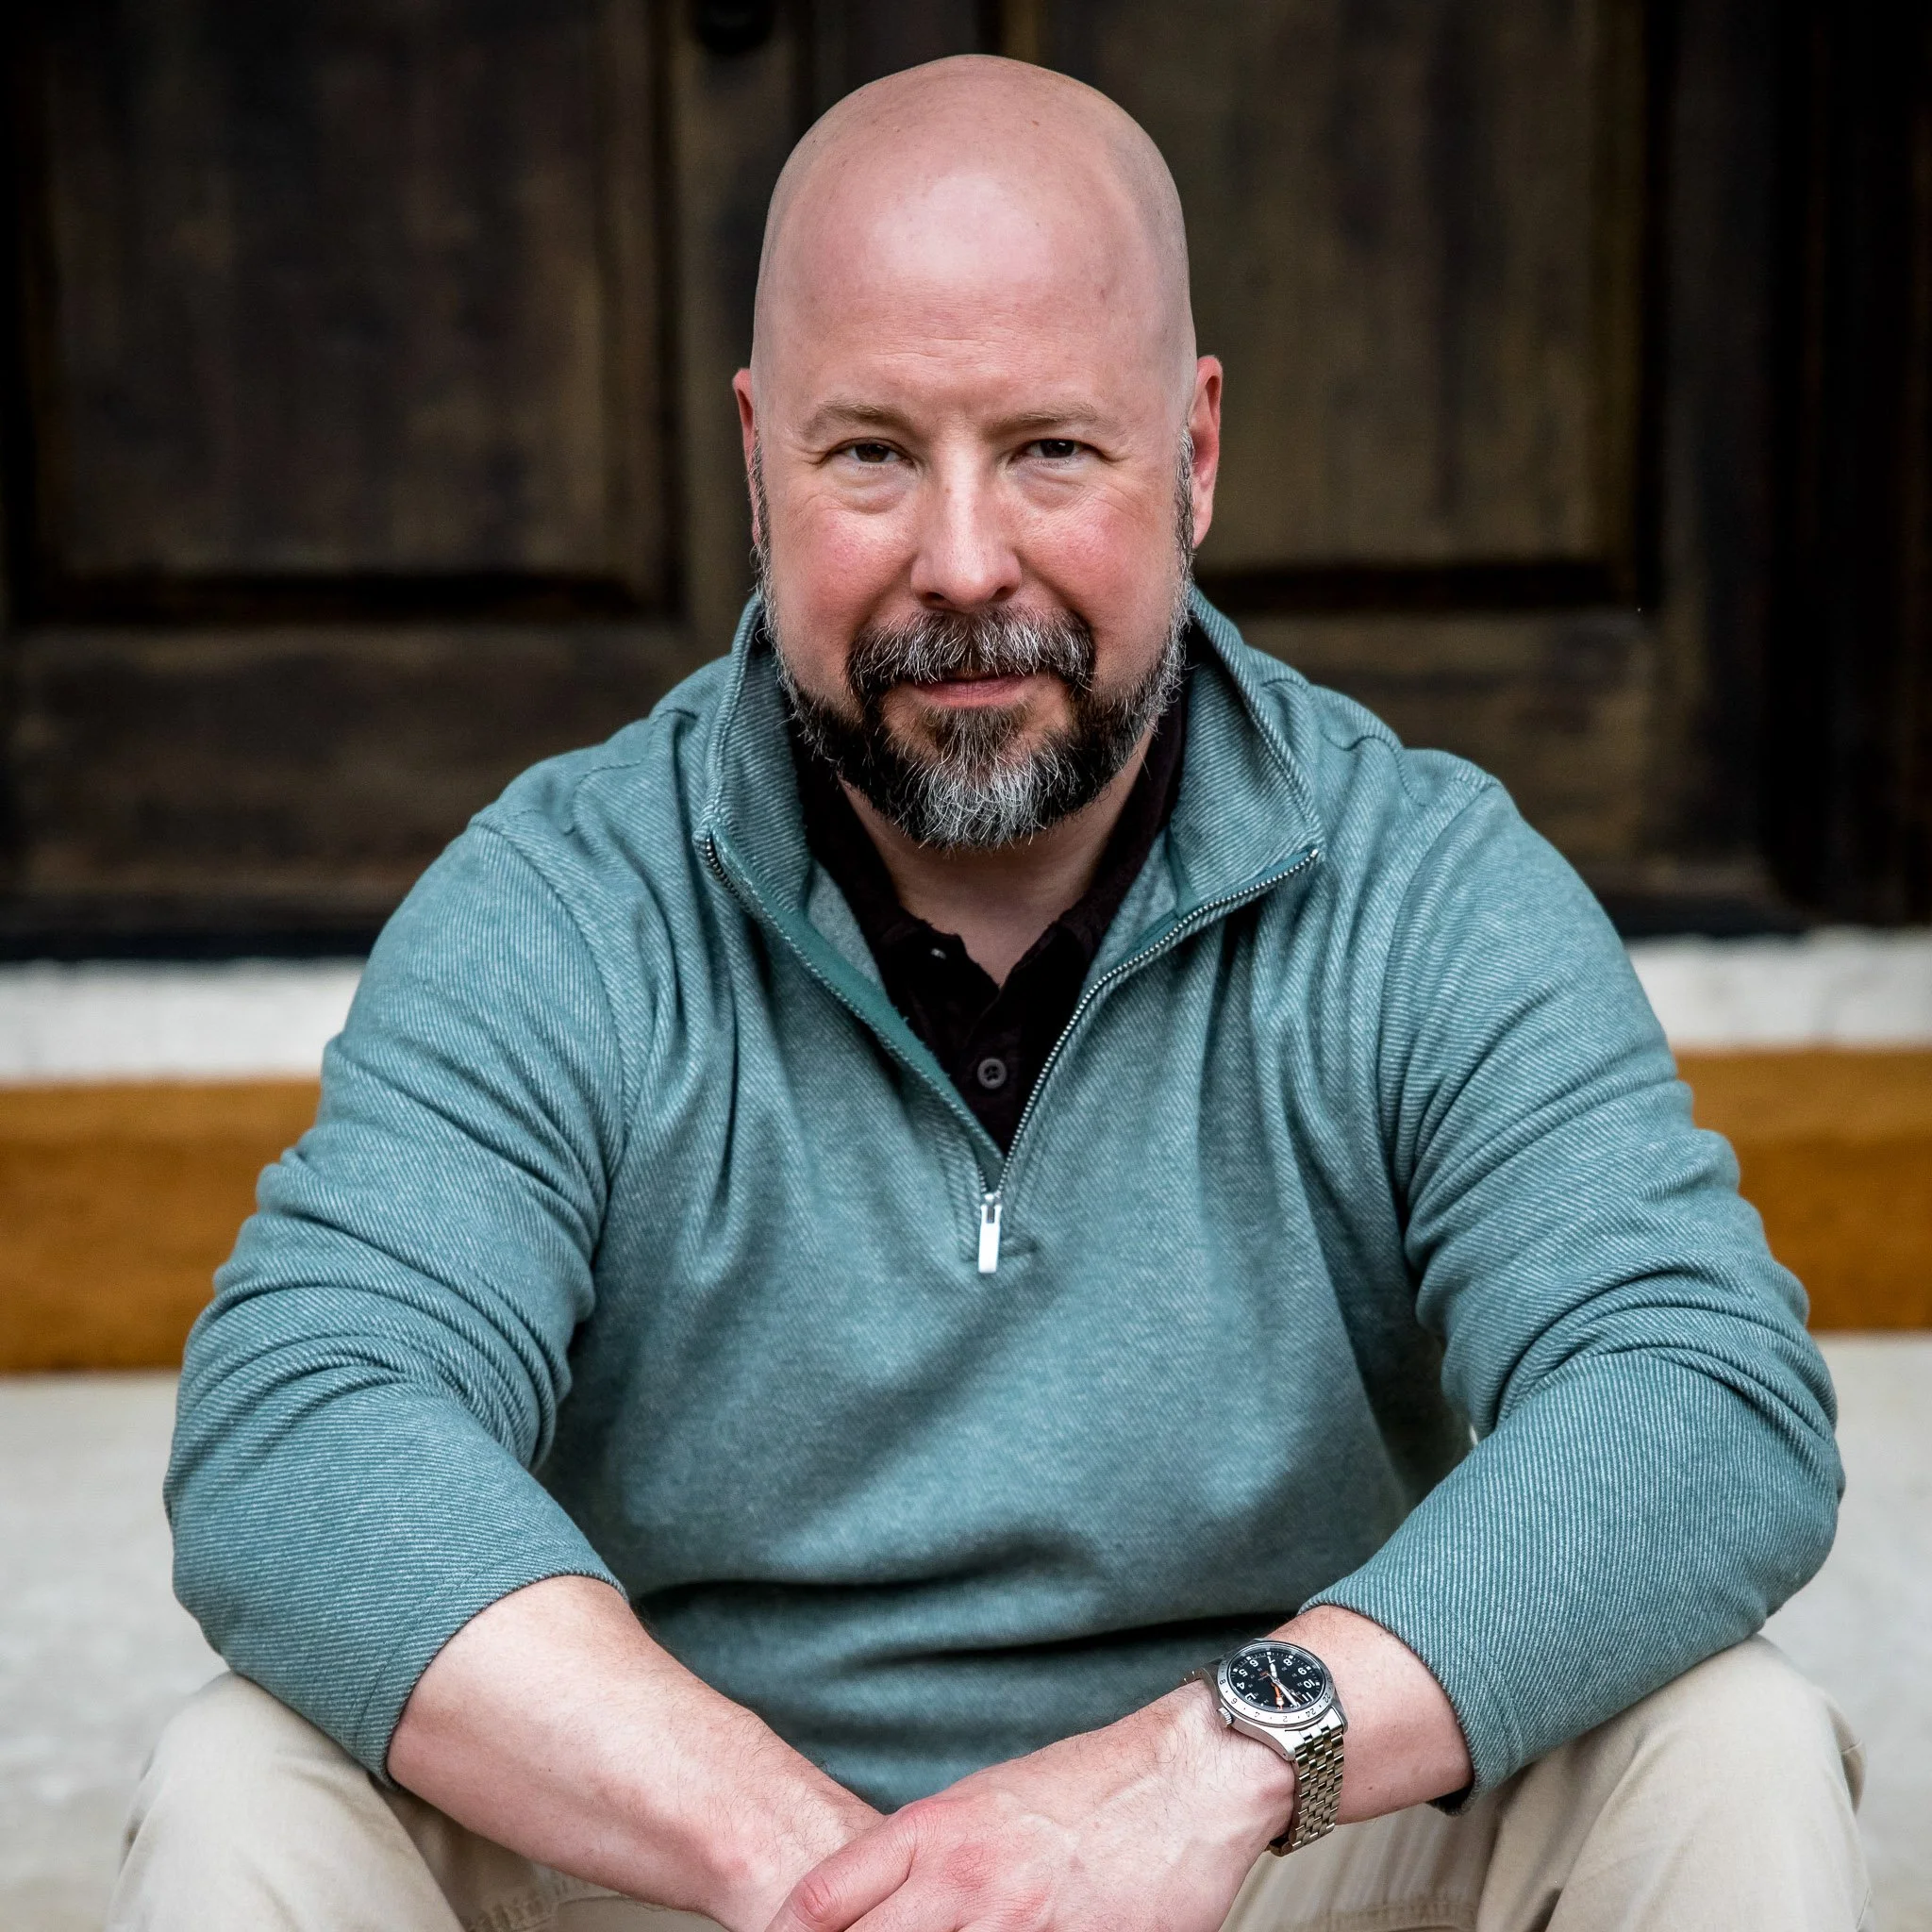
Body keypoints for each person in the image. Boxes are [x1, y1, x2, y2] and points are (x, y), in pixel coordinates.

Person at [112, 54, 1868, 1932]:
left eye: (1050, 450)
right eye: (871, 453)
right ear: (757, 461)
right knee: (246, 1782)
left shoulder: (1424, 889)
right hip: (701, 1877)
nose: (961, 565)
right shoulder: (562, 907)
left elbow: (1700, 1396)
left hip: (1244, 1862)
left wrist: (1204, 1772)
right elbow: (299, 1421)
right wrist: (836, 1876)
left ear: (1194, 451)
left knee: (1730, 1743)